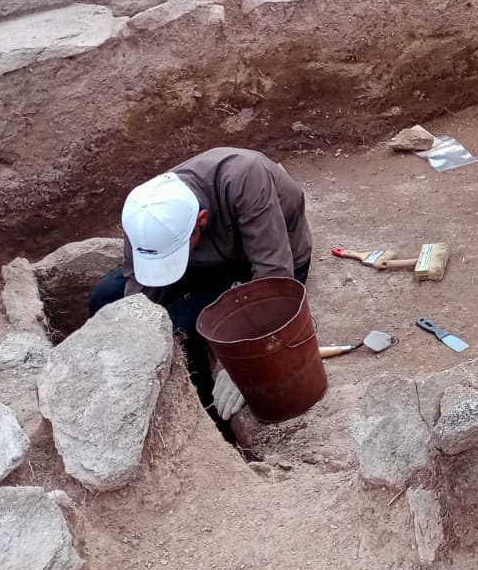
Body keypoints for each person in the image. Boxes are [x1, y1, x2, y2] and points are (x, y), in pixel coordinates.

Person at [88, 147, 313, 415]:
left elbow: (273, 276)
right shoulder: (144, 212)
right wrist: (134, 342)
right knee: (105, 297)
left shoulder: (244, 177)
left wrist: (251, 361)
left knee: (183, 325)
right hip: (201, 261)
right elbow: (138, 288)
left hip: (263, 257)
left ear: (201, 220)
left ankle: (203, 415)